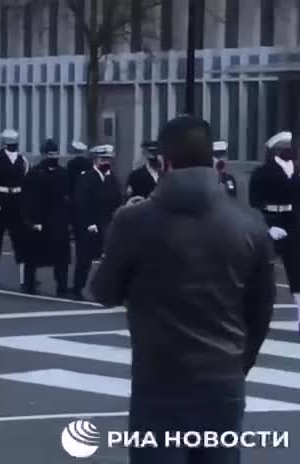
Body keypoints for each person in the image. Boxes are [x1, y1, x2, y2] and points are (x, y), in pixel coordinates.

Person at [92, 115, 275, 464]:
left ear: (165, 162)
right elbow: (261, 310)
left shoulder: (135, 220)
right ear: (215, 162)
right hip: (223, 374)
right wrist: (239, 363)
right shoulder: (249, 222)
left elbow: (104, 292)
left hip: (159, 375)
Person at [249, 131, 300, 331]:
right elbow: (254, 203)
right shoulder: (262, 172)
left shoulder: (295, 172)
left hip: (291, 222)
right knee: (262, 270)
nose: (290, 149)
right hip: (270, 221)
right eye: (286, 146)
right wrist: (268, 226)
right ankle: (257, 314)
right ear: (277, 150)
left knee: (297, 268)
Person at [72, 144, 123, 301]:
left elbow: (117, 200)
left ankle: (105, 290)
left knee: (108, 258)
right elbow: (81, 203)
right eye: (103, 159)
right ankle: (78, 288)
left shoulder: (112, 178)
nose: (106, 162)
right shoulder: (86, 178)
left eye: (108, 159)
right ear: (95, 160)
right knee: (85, 258)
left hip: (107, 223)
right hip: (89, 224)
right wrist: (89, 223)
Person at [23, 138, 70, 296]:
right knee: (33, 255)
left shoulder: (63, 174)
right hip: (41, 220)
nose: (53, 157)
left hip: (59, 221)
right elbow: (30, 200)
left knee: (61, 258)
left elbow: (67, 198)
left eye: (55, 154)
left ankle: (62, 287)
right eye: (50, 154)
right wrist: (33, 221)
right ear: (43, 155)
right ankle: (29, 285)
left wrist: (67, 221)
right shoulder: (34, 173)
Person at [0, 129, 29, 288]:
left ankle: (24, 278)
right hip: (0, 201)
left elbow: (25, 185)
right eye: (11, 144)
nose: (13, 146)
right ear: (4, 144)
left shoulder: (23, 160)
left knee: (20, 240)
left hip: (16, 202)